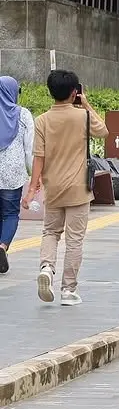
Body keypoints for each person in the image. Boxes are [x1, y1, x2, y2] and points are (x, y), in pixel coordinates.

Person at [23, 70, 108, 305]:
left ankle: (47, 268)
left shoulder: (42, 120)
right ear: (74, 92)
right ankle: (68, 290)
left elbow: (38, 157)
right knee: (74, 240)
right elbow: (103, 131)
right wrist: (86, 103)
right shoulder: (82, 117)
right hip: (78, 189)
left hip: (53, 188)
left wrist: (32, 189)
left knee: (50, 232)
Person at [0, 76, 34, 273]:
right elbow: (30, 149)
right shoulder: (23, 115)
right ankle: (3, 246)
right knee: (10, 213)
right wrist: (34, 177)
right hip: (12, 173)